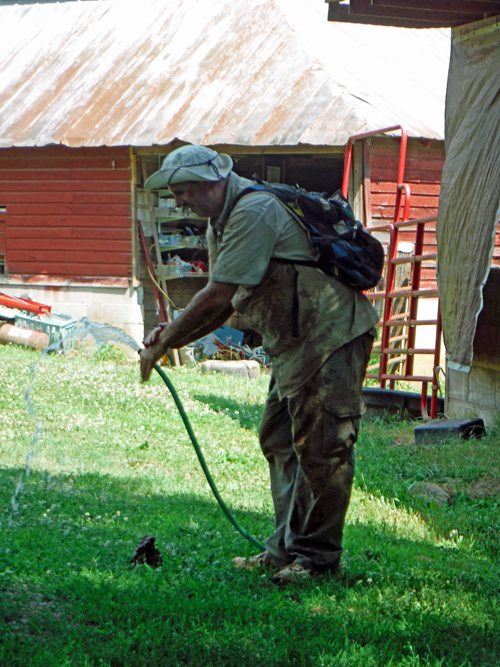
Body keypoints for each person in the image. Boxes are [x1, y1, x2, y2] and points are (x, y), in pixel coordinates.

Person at [140, 145, 379, 585]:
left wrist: (166, 338)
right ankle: (284, 550)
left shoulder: (253, 212)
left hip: (330, 336)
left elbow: (216, 294)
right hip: (295, 343)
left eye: (185, 191)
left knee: (324, 447)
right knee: (279, 437)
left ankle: (317, 560)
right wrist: (167, 338)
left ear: (211, 183)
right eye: (176, 194)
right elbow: (224, 304)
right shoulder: (223, 220)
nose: (180, 202)